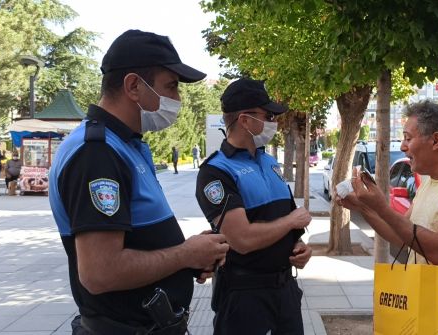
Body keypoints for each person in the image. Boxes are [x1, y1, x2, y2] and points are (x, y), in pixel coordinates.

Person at [48, 29, 229, 334]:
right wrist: (185, 254)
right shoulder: (97, 153)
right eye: (171, 86)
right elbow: (100, 273)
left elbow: (139, 239)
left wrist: (189, 253)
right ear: (133, 85)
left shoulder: (125, 145)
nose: (177, 99)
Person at [337, 100, 438, 335]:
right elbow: (402, 235)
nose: (403, 147)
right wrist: (363, 207)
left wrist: (382, 207)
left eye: (407, 138)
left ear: (435, 140)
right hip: (421, 319)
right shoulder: (430, 181)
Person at [195, 78, 312, 335]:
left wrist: (298, 246)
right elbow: (243, 239)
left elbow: (286, 220)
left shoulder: (269, 161)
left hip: (284, 291)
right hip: (245, 297)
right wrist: (291, 223)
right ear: (245, 120)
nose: (274, 121)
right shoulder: (216, 172)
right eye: (268, 115)